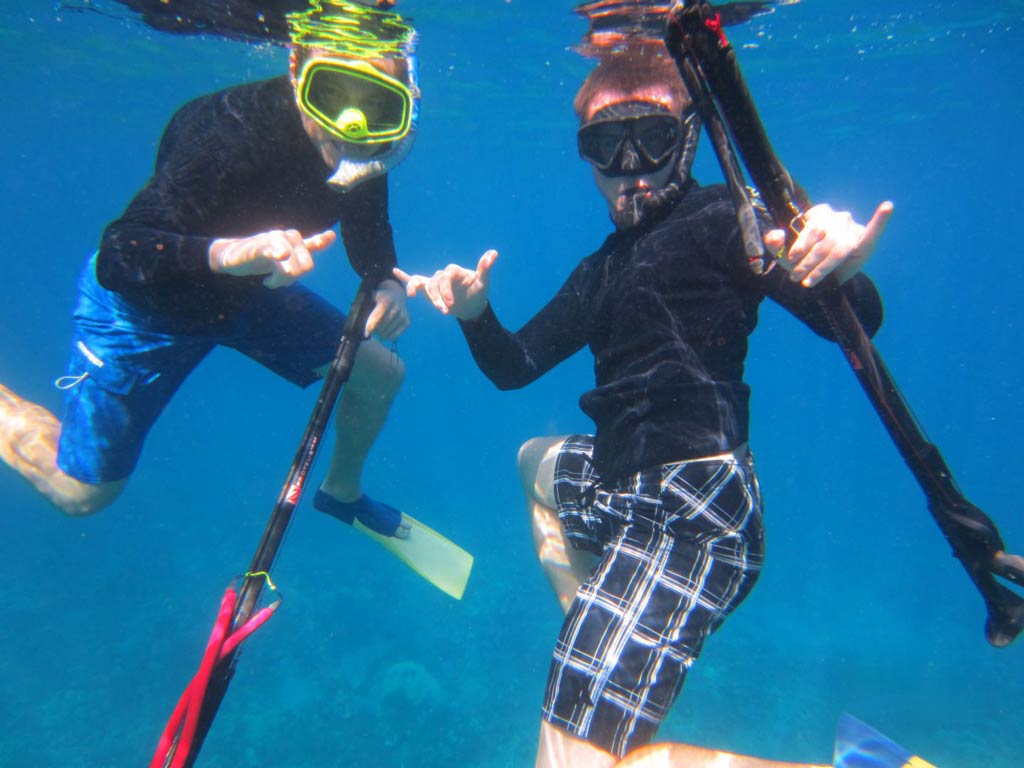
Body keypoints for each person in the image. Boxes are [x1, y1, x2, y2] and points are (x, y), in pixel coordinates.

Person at [397, 43, 894, 767]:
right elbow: (516, 367)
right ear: (588, 159)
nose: (631, 165)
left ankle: (609, 651)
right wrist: (477, 314)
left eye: (651, 139)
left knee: (577, 762)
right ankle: (598, 620)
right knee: (532, 460)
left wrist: (836, 263)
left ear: (688, 139)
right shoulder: (601, 269)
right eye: (607, 145)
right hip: (618, 487)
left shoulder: (730, 218)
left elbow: (851, 320)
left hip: (698, 519)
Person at [0, 0, 416, 539]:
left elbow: (367, 228)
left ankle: (341, 492)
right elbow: (119, 253)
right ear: (296, 70)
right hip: (146, 307)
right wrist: (227, 255)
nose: (349, 125)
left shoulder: (368, 143)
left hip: (245, 294)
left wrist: (384, 279)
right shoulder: (223, 133)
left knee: (381, 373)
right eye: (330, 92)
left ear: (405, 101)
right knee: (81, 494)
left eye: (379, 105)